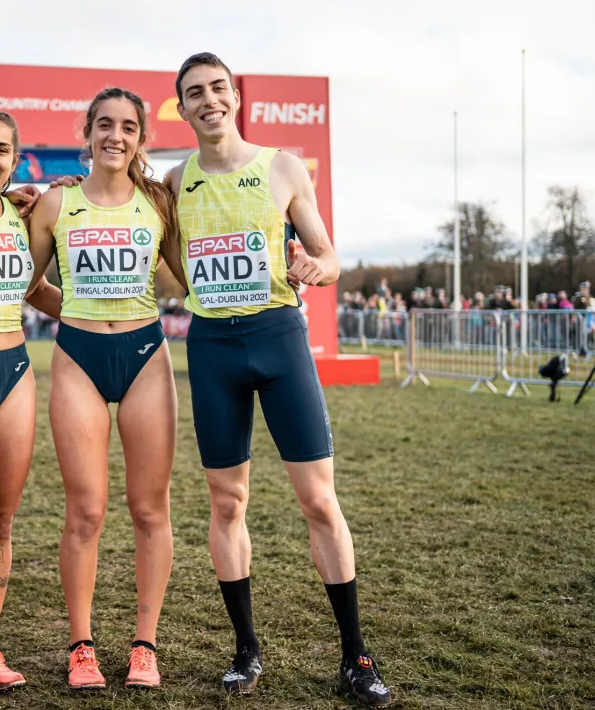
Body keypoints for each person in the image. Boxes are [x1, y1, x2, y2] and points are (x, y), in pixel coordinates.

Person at [162, 52, 391, 705]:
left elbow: (330, 255)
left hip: (278, 338)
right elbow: (138, 233)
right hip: (212, 349)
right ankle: (246, 649)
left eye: (217, 88)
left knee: (319, 501)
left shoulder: (284, 166)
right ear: (183, 107)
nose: (208, 100)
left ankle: (356, 657)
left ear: (234, 97)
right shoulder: (175, 182)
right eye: (194, 93)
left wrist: (315, 268)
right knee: (227, 503)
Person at [24, 87, 183, 691]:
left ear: (142, 138)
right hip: (78, 358)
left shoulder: (160, 202)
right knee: (85, 511)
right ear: (86, 131)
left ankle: (145, 645)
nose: (116, 136)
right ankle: (82, 646)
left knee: (149, 508)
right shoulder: (57, 203)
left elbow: (194, 282)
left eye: (129, 127)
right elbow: (30, 284)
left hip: (145, 356)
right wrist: (79, 312)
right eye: (105, 125)